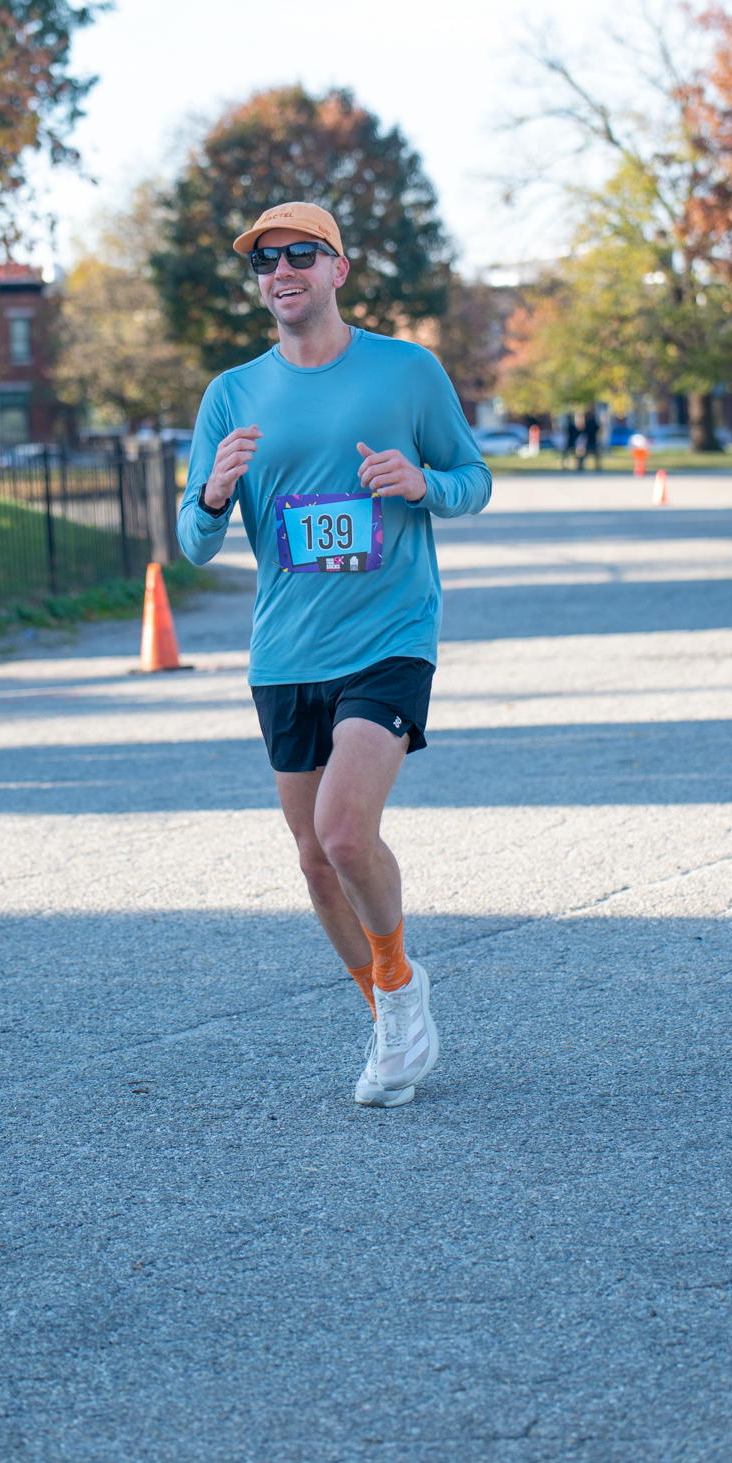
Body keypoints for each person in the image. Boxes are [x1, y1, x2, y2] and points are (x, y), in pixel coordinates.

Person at [177, 201, 492, 1107]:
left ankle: (396, 977)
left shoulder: (407, 371)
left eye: (300, 255)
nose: (281, 271)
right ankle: (390, 1009)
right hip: (285, 654)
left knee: (344, 832)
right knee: (314, 863)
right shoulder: (231, 395)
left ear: (338, 269)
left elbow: (473, 480)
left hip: (389, 637)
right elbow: (193, 545)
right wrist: (211, 492)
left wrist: (422, 483)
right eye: (265, 261)